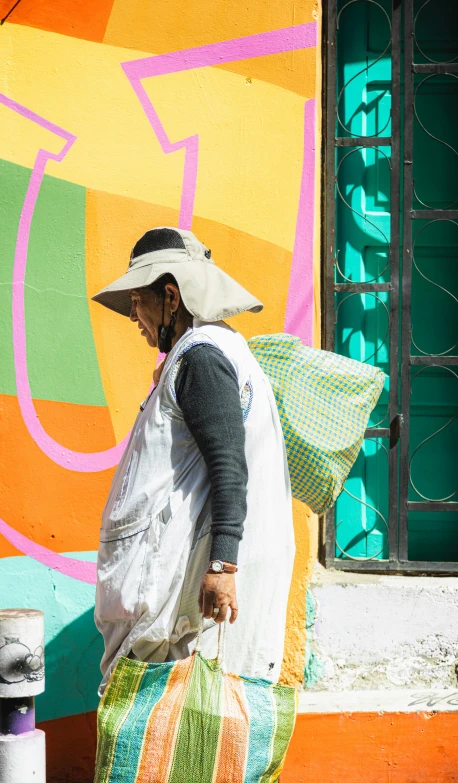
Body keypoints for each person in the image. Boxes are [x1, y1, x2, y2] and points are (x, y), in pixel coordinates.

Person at [92, 226, 295, 695]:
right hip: (181, 594)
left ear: (170, 296)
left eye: (137, 302)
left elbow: (229, 465)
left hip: (194, 596)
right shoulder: (201, 352)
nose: (133, 316)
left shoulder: (202, 357)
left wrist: (222, 567)